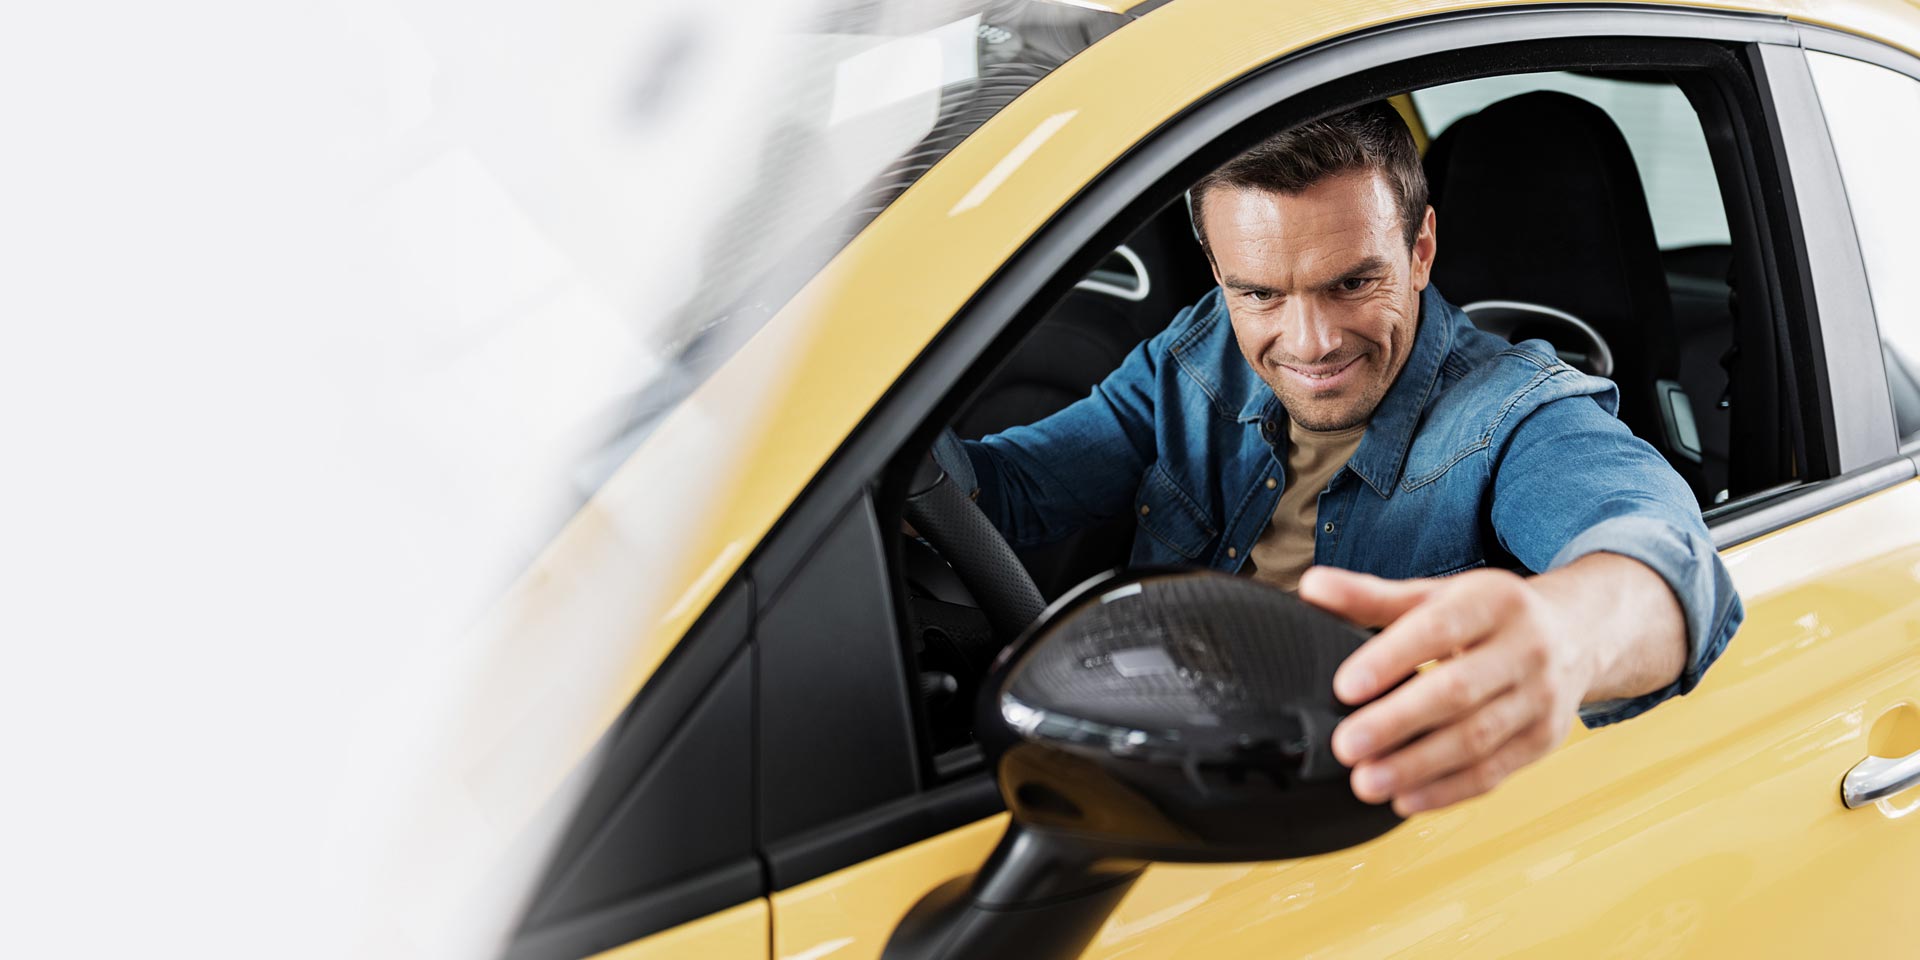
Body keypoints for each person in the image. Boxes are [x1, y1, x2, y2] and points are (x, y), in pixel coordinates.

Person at [933, 102, 1743, 817]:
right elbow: (1005, 493)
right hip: (1147, 770)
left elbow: (1662, 554)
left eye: (1353, 283)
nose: (1310, 342)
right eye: (1259, 294)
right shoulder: (1197, 354)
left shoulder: (1513, 413)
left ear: (1421, 248)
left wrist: (1567, 635)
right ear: (1219, 273)